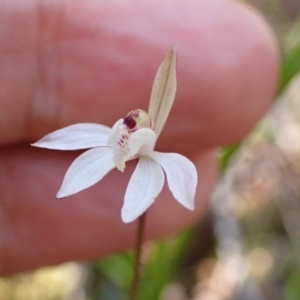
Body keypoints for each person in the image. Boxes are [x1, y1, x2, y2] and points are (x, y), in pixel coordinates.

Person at [0, 0, 279, 276]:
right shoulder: (105, 140)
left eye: (136, 127)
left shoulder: (170, 165)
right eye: (130, 126)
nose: (131, 129)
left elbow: (182, 189)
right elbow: (72, 166)